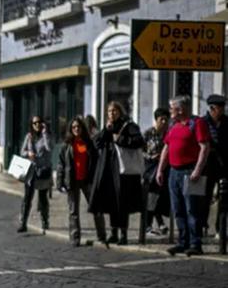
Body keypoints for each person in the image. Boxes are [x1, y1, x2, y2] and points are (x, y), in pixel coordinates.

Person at [157, 96, 211, 256]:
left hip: (190, 171)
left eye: (171, 107)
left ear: (180, 109)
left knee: (192, 209)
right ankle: (182, 241)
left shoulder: (197, 123)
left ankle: (195, 243)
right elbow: (166, 148)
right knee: (178, 209)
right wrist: (160, 170)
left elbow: (204, 147)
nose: (169, 110)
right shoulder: (173, 125)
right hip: (174, 172)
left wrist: (198, 170)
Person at [89, 101, 144, 246]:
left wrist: (120, 139)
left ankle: (123, 234)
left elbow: (139, 141)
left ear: (120, 112)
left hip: (123, 171)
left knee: (122, 203)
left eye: (114, 111)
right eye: (109, 111)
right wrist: (106, 131)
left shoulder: (129, 125)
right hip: (108, 169)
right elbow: (97, 144)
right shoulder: (108, 127)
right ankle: (113, 233)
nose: (111, 114)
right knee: (111, 201)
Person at [55, 117, 98, 247]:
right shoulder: (66, 145)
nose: (76, 129)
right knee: (73, 211)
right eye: (74, 127)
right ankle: (75, 238)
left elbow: (95, 161)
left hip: (87, 180)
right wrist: (59, 182)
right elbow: (60, 165)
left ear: (82, 128)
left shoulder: (88, 143)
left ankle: (101, 235)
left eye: (78, 127)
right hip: (72, 181)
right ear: (70, 129)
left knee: (96, 207)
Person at [18, 116, 52, 233]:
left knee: (43, 198)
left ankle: (45, 221)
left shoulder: (46, 136)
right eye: (34, 123)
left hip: (43, 170)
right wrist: (28, 153)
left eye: (39, 122)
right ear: (32, 125)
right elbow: (21, 152)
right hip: (31, 171)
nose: (37, 125)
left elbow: (49, 148)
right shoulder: (29, 137)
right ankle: (23, 223)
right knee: (27, 197)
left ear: (42, 124)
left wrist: (45, 134)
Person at [201, 94, 228, 238]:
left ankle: (220, 228)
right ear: (212, 108)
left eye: (224, 107)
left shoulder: (226, 122)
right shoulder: (203, 123)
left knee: (224, 198)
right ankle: (203, 225)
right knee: (205, 197)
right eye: (220, 108)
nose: (223, 110)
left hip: (224, 165)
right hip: (207, 166)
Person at [142, 108, 171, 237]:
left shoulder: (169, 133)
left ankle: (160, 223)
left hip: (165, 169)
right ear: (156, 120)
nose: (164, 122)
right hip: (150, 169)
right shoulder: (148, 133)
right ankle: (149, 225)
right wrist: (149, 156)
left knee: (160, 198)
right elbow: (140, 151)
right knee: (152, 197)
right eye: (161, 119)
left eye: (166, 119)